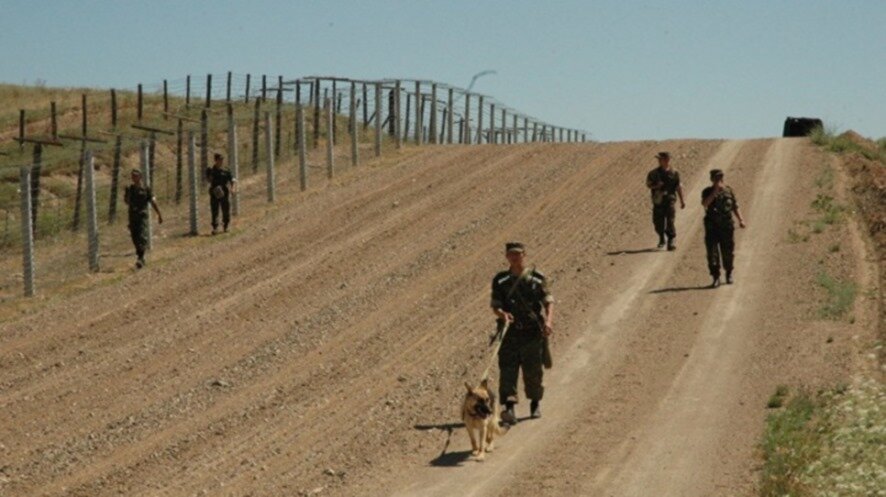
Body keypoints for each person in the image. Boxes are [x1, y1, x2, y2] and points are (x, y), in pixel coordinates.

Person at [490, 242, 554, 424]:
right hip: (509, 333)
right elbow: (496, 306)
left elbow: (548, 301)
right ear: (506, 256)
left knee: (533, 371)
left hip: (532, 333)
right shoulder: (500, 280)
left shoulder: (537, 278)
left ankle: (535, 404)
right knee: (507, 371)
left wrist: (548, 321)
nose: (514, 257)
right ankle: (509, 408)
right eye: (511, 254)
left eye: (517, 254)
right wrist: (503, 314)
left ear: (524, 255)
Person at [701, 169, 746, 287]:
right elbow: (705, 204)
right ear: (712, 179)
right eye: (716, 178)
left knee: (728, 251)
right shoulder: (707, 191)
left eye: (720, 177)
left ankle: (729, 273)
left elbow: (735, 206)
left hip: (726, 226)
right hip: (712, 227)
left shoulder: (729, 191)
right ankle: (716, 277)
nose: (718, 180)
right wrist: (714, 192)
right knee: (712, 253)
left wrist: (741, 219)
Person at [645, 151, 685, 250]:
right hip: (658, 201)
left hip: (670, 200)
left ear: (667, 160)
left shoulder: (674, 173)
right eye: (658, 159)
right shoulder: (653, 173)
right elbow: (648, 185)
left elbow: (678, 187)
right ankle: (661, 237)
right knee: (658, 222)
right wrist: (656, 186)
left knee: (670, 221)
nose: (659, 161)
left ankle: (671, 241)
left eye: (660, 159)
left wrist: (682, 200)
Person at [123, 169, 162, 269]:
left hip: (142, 216)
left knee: (142, 236)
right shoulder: (130, 189)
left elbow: (153, 201)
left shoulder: (146, 189)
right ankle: (140, 256)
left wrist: (159, 214)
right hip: (132, 216)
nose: (134, 178)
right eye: (132, 176)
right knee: (134, 237)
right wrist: (127, 195)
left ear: (140, 177)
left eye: (136, 176)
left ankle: (141, 258)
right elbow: (127, 202)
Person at [206, 153, 236, 234]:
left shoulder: (226, 170)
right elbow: (208, 180)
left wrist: (232, 188)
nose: (221, 161)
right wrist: (210, 176)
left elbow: (232, 179)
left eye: (222, 159)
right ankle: (215, 227)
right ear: (215, 160)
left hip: (224, 191)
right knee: (214, 210)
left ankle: (226, 226)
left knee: (225, 209)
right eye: (219, 159)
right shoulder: (211, 170)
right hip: (214, 191)